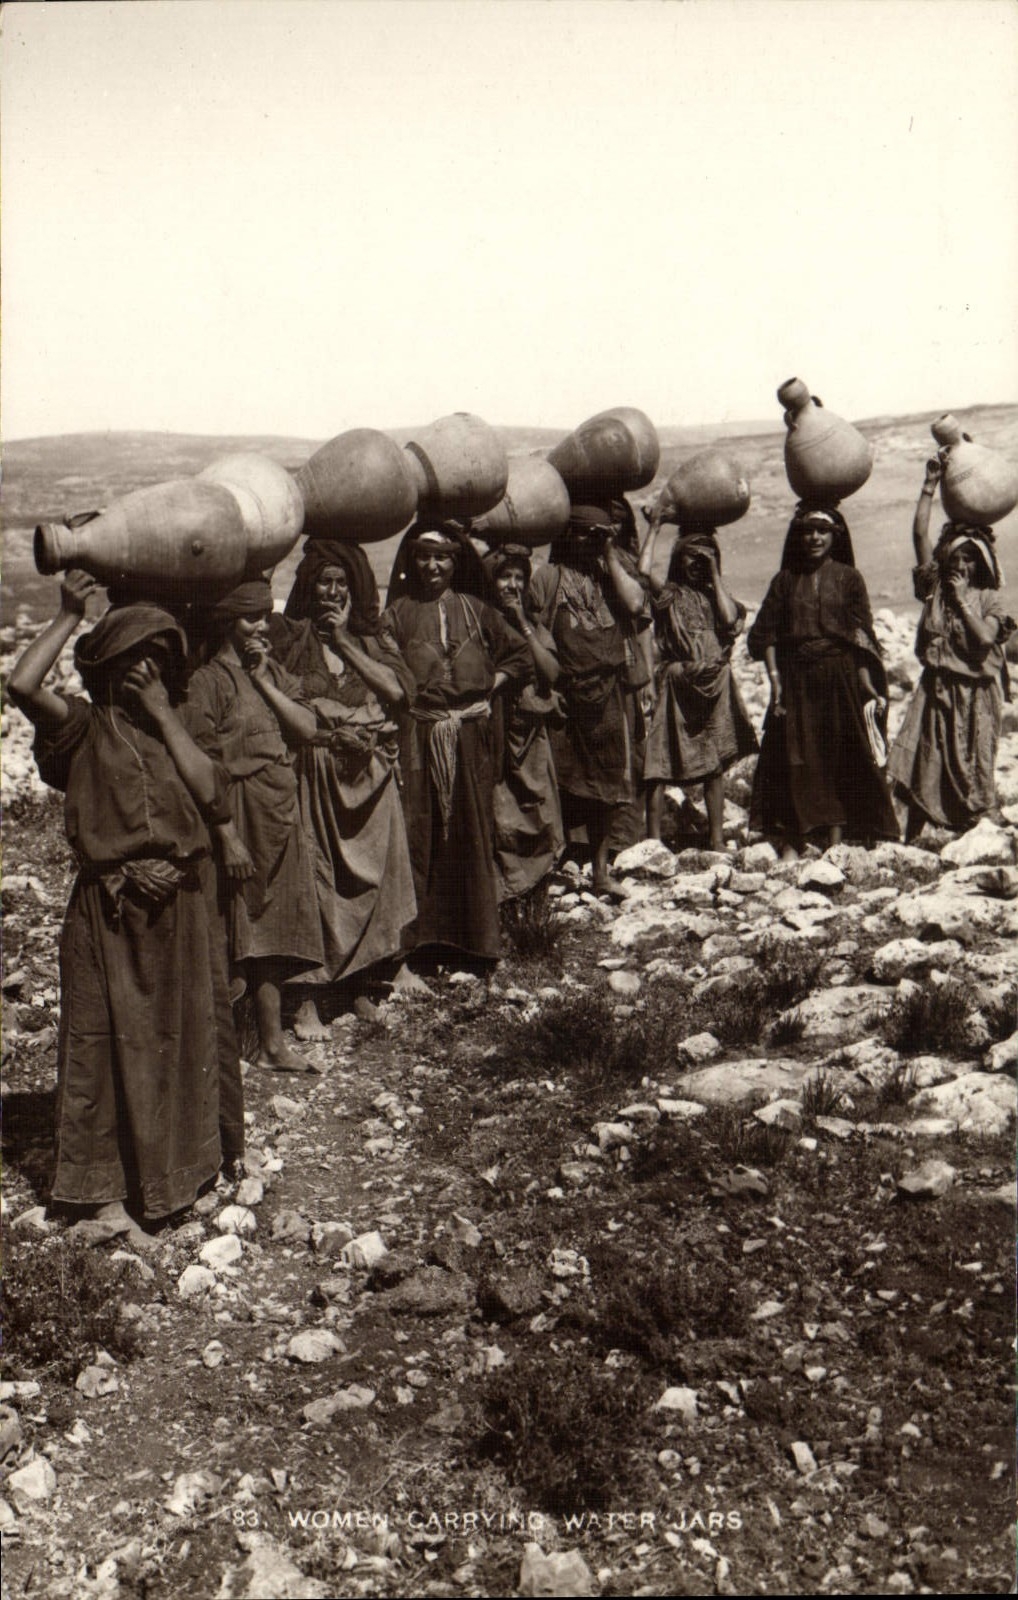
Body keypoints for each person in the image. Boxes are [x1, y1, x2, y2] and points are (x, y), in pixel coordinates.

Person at [7, 573, 243, 1242]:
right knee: (102, 1048)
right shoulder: (84, 728)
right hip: (108, 912)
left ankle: (174, 1180)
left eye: (160, 661)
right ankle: (103, 1199)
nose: (147, 671)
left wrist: (165, 714)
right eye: (134, 662)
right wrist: (66, 615)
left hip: (180, 909)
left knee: (178, 1041)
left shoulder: (182, 727)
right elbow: (22, 687)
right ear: (107, 669)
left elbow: (214, 798)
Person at [266, 541, 416, 1033]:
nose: (331, 593)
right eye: (323, 583)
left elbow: (396, 693)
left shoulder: (372, 641)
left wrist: (347, 640)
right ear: (308, 587)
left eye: (341, 584)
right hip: (315, 778)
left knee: (370, 887)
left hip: (369, 781)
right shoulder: (290, 639)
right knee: (316, 884)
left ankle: (358, 985)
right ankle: (306, 997)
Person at [184, 580, 324, 1072]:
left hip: (279, 815)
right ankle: (228, 1048)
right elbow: (198, 762)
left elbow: (306, 729)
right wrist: (226, 834)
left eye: (265, 616)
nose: (262, 626)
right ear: (227, 623)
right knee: (235, 927)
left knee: (274, 927)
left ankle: (270, 1045)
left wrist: (264, 678)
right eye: (251, 619)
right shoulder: (207, 682)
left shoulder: (270, 671)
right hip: (238, 815)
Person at [383, 519, 532, 962]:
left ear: (455, 561)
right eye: (424, 556)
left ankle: (475, 942)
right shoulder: (396, 614)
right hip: (420, 734)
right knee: (421, 827)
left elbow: (520, 656)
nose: (432, 565)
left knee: (471, 829)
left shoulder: (477, 609)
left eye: (442, 557)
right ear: (412, 562)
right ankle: (421, 942)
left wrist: (490, 686)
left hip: (470, 736)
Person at [747, 504, 899, 858]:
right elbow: (765, 635)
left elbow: (861, 636)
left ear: (835, 537)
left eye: (822, 531)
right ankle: (794, 838)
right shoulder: (784, 581)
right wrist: (775, 682)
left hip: (839, 674)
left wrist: (867, 683)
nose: (814, 538)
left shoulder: (849, 578)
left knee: (841, 752)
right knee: (795, 756)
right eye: (807, 531)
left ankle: (837, 837)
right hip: (797, 676)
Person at [886, 458, 1014, 838]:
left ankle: (977, 832)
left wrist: (961, 601)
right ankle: (915, 834)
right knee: (924, 758)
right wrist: (928, 486)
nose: (961, 564)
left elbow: (986, 639)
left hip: (976, 693)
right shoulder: (935, 591)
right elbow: (920, 536)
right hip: (936, 686)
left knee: (973, 761)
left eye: (969, 558)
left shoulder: (989, 599)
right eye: (955, 556)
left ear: (981, 564)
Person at [529, 504, 648, 894]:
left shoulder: (610, 573)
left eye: (597, 535)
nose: (589, 542)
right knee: (558, 781)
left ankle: (599, 872)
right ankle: (550, 869)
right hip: (565, 695)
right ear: (566, 536)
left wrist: (609, 553)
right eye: (583, 534)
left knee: (606, 784)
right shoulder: (548, 578)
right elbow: (533, 632)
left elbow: (634, 605)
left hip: (608, 694)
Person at [639, 523, 758, 850]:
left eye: (704, 558)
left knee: (714, 763)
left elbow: (729, 618)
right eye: (690, 557)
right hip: (678, 683)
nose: (697, 564)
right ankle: (652, 842)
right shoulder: (670, 596)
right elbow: (643, 571)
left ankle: (716, 839)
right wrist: (655, 526)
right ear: (678, 560)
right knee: (658, 762)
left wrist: (715, 575)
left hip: (714, 682)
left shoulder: (717, 596)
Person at [484, 543, 565, 898]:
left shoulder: (532, 624)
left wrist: (522, 625)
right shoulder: (480, 621)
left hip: (530, 734)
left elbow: (550, 672)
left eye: (519, 577)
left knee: (538, 808)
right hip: (495, 731)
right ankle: (505, 891)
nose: (513, 585)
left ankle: (535, 888)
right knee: (500, 811)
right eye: (505, 576)